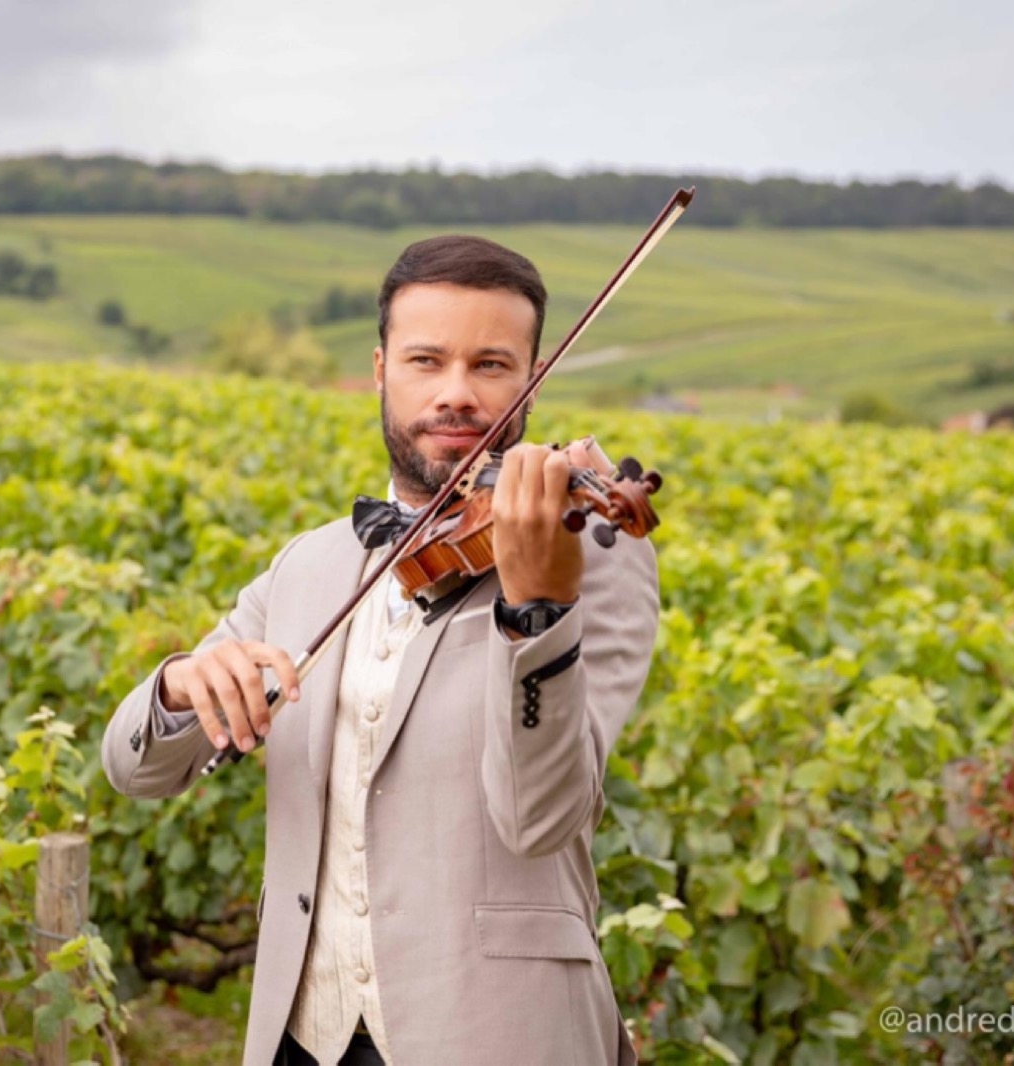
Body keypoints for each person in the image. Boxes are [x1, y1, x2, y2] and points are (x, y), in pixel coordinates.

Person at [102, 235, 661, 1066]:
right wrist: (182, 685)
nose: (456, 393)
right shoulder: (309, 565)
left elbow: (539, 819)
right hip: (303, 1037)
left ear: (533, 379)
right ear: (379, 370)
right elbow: (133, 768)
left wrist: (537, 607)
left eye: (491, 365)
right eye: (425, 360)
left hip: (497, 1036)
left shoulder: (590, 557)